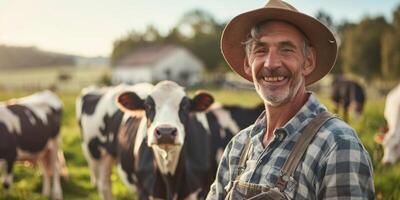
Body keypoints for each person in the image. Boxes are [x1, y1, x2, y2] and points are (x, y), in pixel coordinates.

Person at [206, 0, 375, 199]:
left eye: (286, 49)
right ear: (247, 63)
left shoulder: (337, 145)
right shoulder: (238, 146)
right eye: (260, 50)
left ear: (308, 61)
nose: (271, 63)